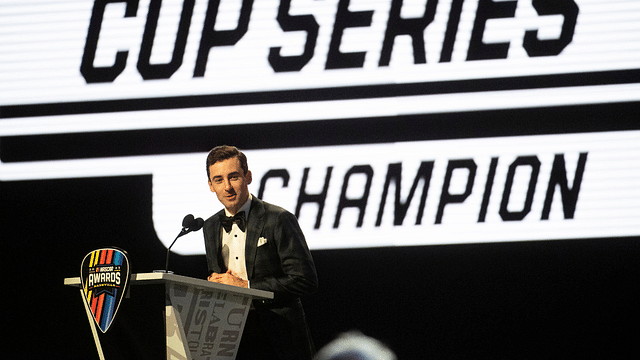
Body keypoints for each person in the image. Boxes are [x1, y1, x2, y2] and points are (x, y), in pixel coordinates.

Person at [202, 145, 318, 360]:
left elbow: (305, 280)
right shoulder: (209, 226)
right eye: (218, 180)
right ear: (211, 186)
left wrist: (246, 287)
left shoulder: (279, 219)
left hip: (280, 336)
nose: (227, 187)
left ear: (248, 177)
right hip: (232, 338)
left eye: (234, 177)